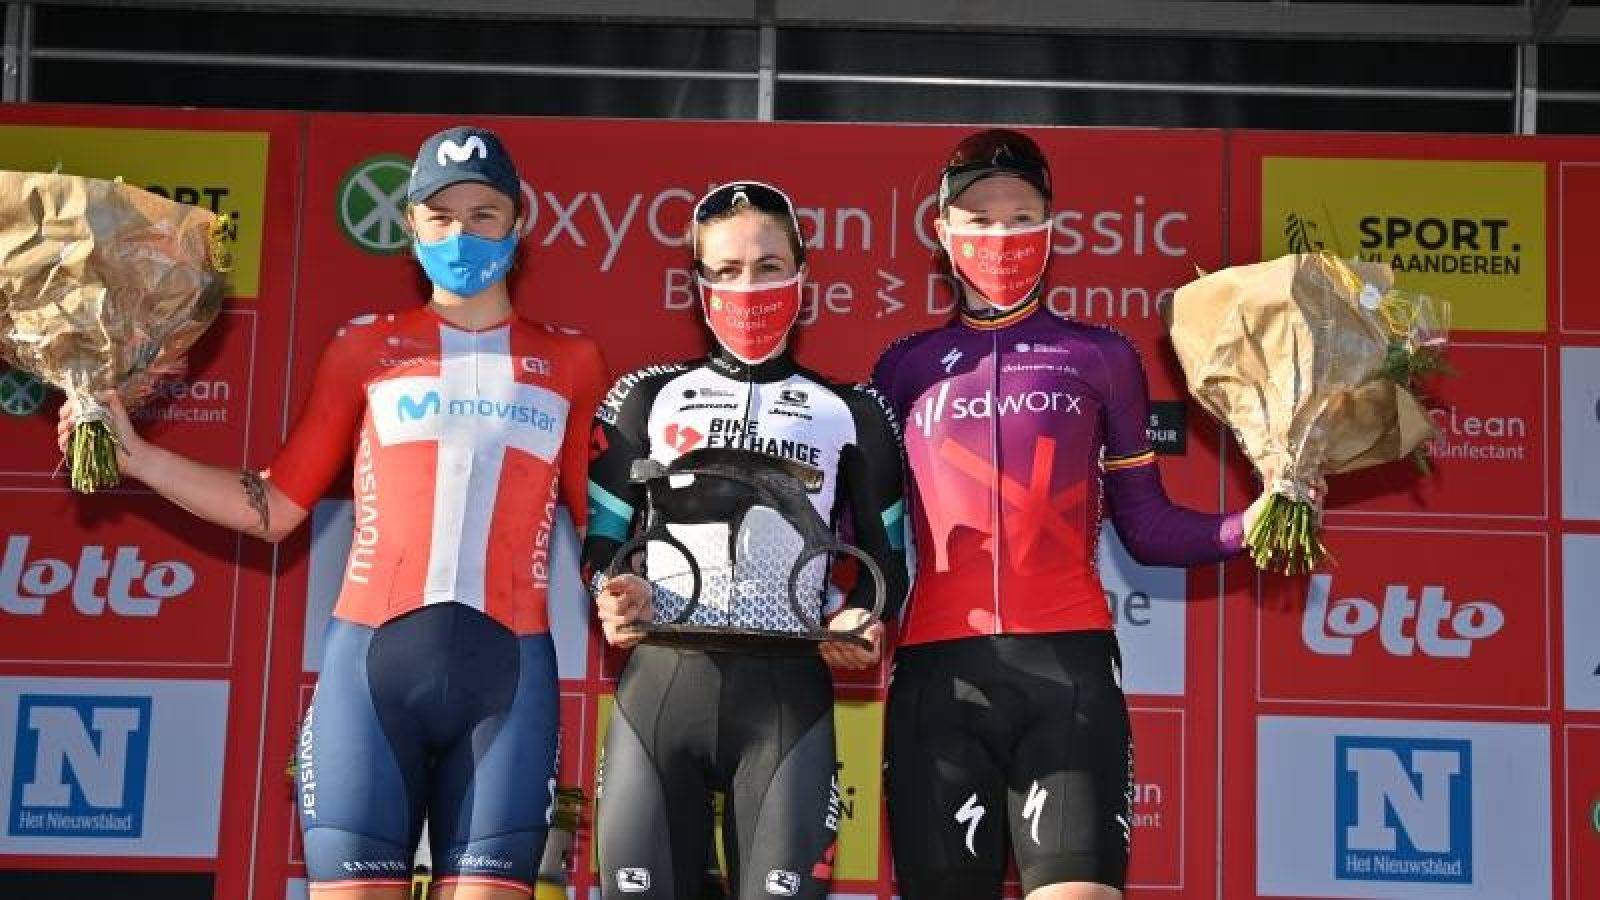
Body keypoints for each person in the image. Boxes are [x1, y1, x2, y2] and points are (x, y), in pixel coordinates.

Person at [57, 125, 607, 900]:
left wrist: (634, 587)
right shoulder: (364, 349)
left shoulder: (574, 362)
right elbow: (276, 506)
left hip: (508, 684)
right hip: (370, 677)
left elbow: (601, 531)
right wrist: (139, 457)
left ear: (520, 222)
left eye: (483, 214)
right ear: (410, 227)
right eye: (441, 216)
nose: (461, 233)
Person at [870, 129, 1279, 900]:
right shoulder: (903, 367)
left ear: (1052, 228)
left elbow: (1148, 527)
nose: (1001, 235)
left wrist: (1247, 525)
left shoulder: (1101, 357)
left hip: (1069, 676)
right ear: (943, 231)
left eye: (1022, 218)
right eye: (980, 219)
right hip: (938, 681)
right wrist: (848, 605)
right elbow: (869, 534)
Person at [581, 180, 910, 900]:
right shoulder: (643, 399)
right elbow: (601, 548)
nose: (748, 287)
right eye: (727, 270)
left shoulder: (853, 412)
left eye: (768, 267)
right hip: (661, 690)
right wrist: (614, 594)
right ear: (699, 284)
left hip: (786, 702)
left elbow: (889, 567)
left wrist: (861, 617)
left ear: (803, 276)